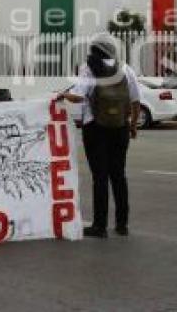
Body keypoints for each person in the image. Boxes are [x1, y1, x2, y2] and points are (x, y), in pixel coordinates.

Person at [57, 37, 140, 238]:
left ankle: (100, 226)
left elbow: (78, 95)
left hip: (95, 128)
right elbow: (135, 100)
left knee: (100, 176)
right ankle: (122, 224)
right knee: (118, 175)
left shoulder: (89, 68)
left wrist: (63, 95)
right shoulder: (126, 69)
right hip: (119, 127)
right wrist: (133, 125)